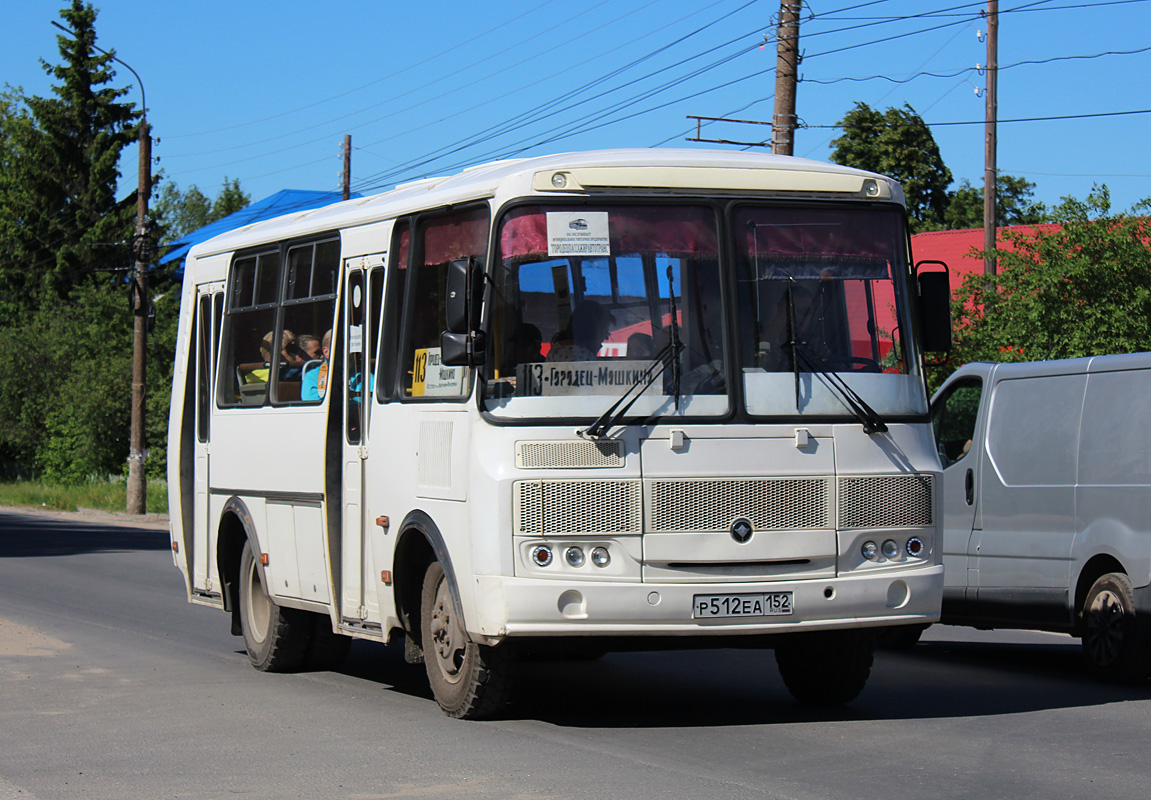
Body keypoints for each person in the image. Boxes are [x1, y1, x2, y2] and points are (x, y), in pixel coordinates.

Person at [546, 300, 612, 362]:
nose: (606, 338)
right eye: (604, 332)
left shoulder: (556, 349)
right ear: (592, 331)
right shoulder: (583, 356)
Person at [301, 330, 331, 401]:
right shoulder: (313, 376)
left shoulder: (360, 373)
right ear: (326, 352)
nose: (321, 356)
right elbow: (312, 403)